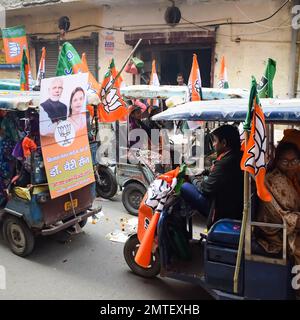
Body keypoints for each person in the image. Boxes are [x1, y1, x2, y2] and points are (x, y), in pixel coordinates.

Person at [255, 142, 300, 299]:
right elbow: (284, 216)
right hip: (277, 232)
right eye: (285, 162)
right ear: (277, 160)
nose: (290, 166)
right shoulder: (272, 180)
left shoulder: (294, 176)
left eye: (294, 161)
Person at [180, 124, 244, 227]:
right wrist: (205, 172)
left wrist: (192, 177)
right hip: (234, 205)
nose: (213, 145)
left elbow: (204, 188)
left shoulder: (225, 163)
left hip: (222, 210)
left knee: (184, 187)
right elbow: (217, 173)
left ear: (224, 143)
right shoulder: (238, 155)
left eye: (215, 141)